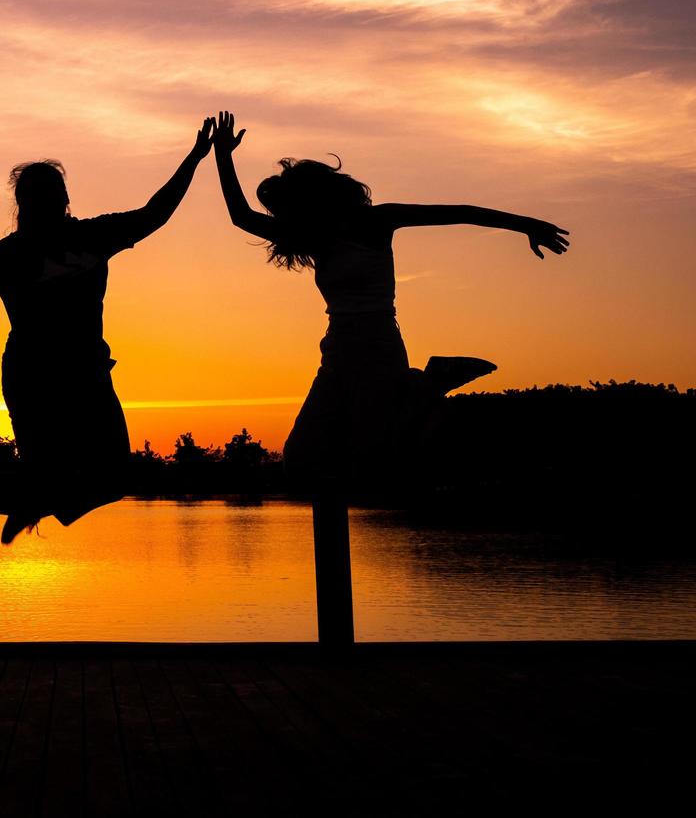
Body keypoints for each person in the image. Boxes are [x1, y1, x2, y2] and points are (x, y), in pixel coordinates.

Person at [209, 110, 569, 641]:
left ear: (319, 196)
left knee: (378, 460)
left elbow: (460, 212)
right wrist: (221, 157)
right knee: (302, 460)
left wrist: (526, 225)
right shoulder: (315, 237)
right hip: (336, 351)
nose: (288, 215)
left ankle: (430, 381)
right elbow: (241, 216)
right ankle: (423, 389)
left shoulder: (376, 222)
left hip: (379, 346)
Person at [0, 119, 217, 543]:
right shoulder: (8, 255)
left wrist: (194, 158)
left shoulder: (90, 235)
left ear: (63, 200)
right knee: (58, 475)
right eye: (36, 197)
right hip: (35, 377)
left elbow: (155, 214)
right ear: (25, 203)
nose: (46, 203)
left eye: (51, 195)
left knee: (111, 479)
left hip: (86, 374)